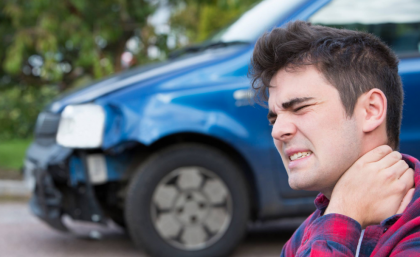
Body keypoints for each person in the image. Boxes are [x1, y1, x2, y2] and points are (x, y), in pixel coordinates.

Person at [250, 20, 420, 256]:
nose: (277, 131)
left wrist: (345, 212)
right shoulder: (308, 232)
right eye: (274, 119)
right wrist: (343, 211)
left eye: (300, 108)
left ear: (371, 110)